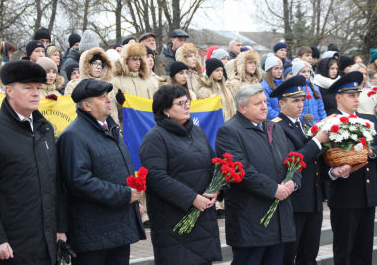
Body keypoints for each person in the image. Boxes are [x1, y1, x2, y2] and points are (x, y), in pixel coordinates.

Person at [0, 60, 68, 264]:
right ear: (9, 90)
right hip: (10, 245)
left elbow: (55, 183)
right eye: (27, 88)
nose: (36, 93)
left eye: (38, 88)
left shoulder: (46, 128)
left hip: (47, 242)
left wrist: (60, 229)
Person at [57, 79, 145, 265]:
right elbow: (79, 181)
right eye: (101, 96)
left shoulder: (111, 128)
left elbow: (117, 171)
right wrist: (124, 195)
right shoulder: (74, 135)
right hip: (92, 235)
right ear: (87, 106)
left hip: (118, 228)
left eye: (107, 95)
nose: (108, 99)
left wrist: (133, 204)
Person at [215, 84, 301, 265]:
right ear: (242, 108)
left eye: (264, 102)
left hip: (279, 215)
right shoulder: (229, 131)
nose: (264, 107)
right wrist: (273, 189)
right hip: (251, 219)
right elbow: (241, 170)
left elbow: (293, 160)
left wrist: (293, 181)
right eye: (257, 103)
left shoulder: (274, 128)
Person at [139, 84, 222, 265]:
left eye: (187, 101)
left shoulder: (197, 132)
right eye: (180, 103)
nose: (187, 106)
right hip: (174, 221)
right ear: (165, 110)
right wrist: (192, 198)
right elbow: (155, 177)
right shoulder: (155, 138)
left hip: (203, 216)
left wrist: (216, 190)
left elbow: (214, 164)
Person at [321, 71, 377, 265]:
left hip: (368, 195)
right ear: (338, 97)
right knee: (344, 251)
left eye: (357, 95)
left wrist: (369, 151)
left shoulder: (369, 119)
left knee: (363, 252)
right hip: (344, 196)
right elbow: (321, 161)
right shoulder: (328, 123)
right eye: (351, 95)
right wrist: (334, 172)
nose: (356, 99)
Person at [270, 76, 329, 265]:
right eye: (295, 101)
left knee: (309, 253)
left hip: (313, 198)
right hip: (294, 201)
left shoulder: (304, 125)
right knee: (289, 254)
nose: (300, 104)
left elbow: (315, 160)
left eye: (302, 100)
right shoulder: (276, 126)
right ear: (281, 103)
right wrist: (318, 141)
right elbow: (293, 160)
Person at [112, 43, 152, 130]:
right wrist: (119, 102)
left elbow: (151, 109)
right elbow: (112, 111)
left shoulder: (146, 82)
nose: (138, 62)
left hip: (145, 127)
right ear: (125, 60)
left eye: (139, 59)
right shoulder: (116, 82)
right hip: (127, 129)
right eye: (134, 59)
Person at [293, 59, 327, 124]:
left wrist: (324, 123)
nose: (306, 74)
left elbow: (321, 109)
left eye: (308, 71)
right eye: (303, 71)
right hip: (302, 125)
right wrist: (302, 116)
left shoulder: (315, 88)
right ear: (297, 73)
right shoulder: (295, 88)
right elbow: (291, 110)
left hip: (317, 125)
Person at [261, 56, 284, 120]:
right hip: (273, 122)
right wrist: (282, 119)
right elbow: (266, 108)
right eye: (276, 68)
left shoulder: (284, 84)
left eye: (281, 68)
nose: (280, 71)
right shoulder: (264, 86)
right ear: (269, 70)